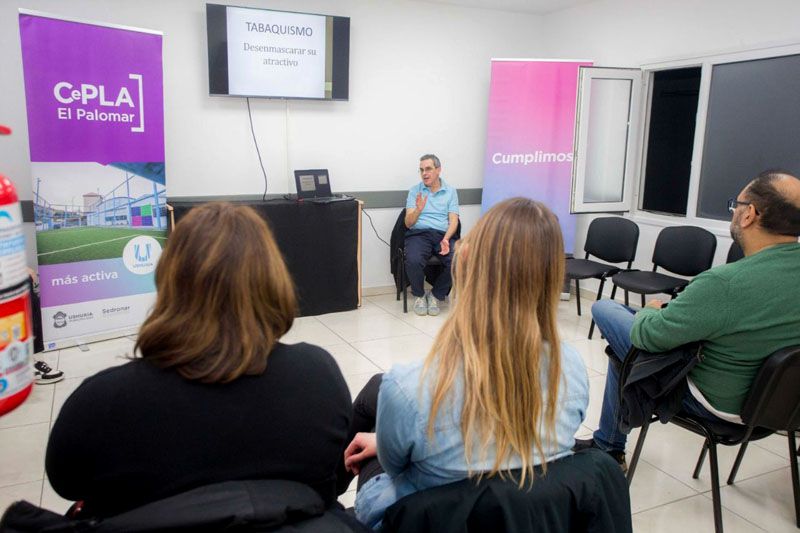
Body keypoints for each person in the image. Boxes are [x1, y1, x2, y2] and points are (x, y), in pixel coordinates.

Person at [45, 203, 353, 519]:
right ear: (272, 278)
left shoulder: (104, 401)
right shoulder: (318, 376)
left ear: (170, 277)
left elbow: (67, 483)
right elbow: (334, 475)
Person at [341, 198, 590, 529]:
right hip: (522, 518)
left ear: (472, 272)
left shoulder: (409, 388)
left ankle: (322, 494)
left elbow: (396, 467)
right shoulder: (572, 369)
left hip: (418, 519)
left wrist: (385, 442)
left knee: (374, 420)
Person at [576, 170, 800, 466]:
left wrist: (650, 315)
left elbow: (649, 338)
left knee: (608, 314)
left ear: (750, 215)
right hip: (781, 409)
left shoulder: (725, 283)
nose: (734, 212)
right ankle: (608, 448)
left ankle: (609, 449)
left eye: (737, 205)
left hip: (717, 405)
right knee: (629, 342)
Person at [404, 154, 459, 316]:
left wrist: (446, 239)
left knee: (459, 259)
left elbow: (454, 221)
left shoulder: (450, 191)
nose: (424, 173)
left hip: (443, 234)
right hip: (419, 234)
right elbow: (408, 223)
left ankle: (436, 295)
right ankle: (420, 295)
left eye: (428, 169)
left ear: (438, 170)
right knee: (413, 259)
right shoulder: (415, 191)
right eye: (421, 170)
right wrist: (418, 210)